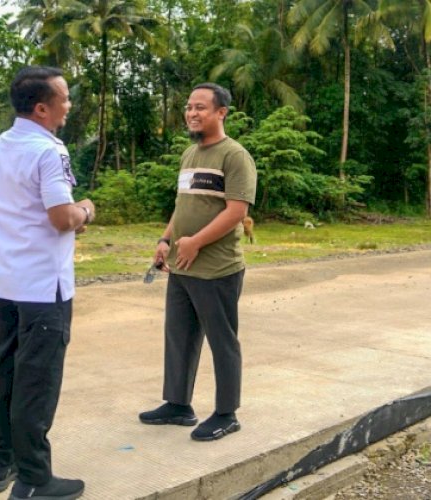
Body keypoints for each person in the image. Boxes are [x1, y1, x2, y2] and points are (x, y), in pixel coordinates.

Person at [0, 66, 94, 500]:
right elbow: (62, 217)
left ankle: (0, 461)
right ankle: (34, 479)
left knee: (4, 370)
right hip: (44, 286)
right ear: (43, 108)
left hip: (6, 281)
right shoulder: (50, 151)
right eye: (64, 99)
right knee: (37, 381)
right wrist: (86, 210)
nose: (69, 105)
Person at [139, 83, 257, 441]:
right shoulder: (189, 155)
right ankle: (178, 404)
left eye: (201, 107)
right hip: (182, 265)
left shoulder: (234, 156)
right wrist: (166, 240)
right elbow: (183, 205)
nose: (192, 113)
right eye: (189, 107)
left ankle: (226, 413)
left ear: (221, 112)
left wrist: (196, 242)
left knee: (223, 342)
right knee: (179, 336)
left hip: (218, 269)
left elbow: (237, 211)